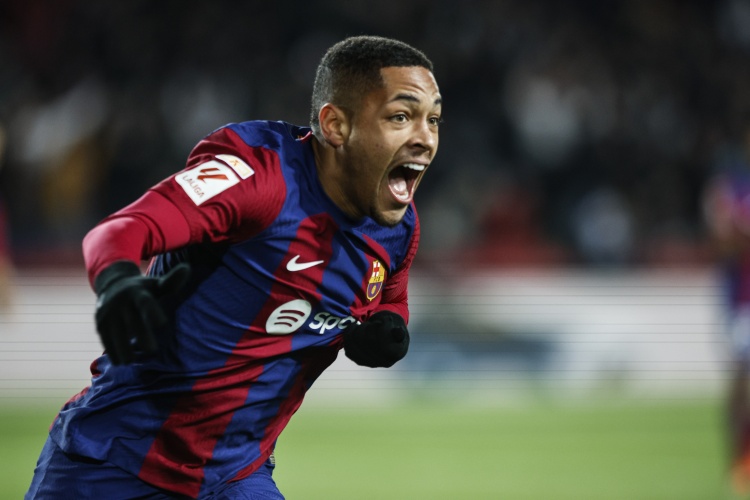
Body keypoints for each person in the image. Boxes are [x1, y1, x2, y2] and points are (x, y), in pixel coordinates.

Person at [26, 35, 442, 499]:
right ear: (335, 125)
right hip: (110, 461)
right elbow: (122, 229)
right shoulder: (257, 178)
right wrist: (118, 281)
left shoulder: (396, 228)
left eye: (433, 120)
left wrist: (388, 328)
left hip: (234, 478)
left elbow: (391, 299)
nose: (425, 138)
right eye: (400, 117)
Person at [703, 124, 750, 497]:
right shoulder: (731, 187)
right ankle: (739, 459)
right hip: (742, 301)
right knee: (741, 382)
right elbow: (723, 243)